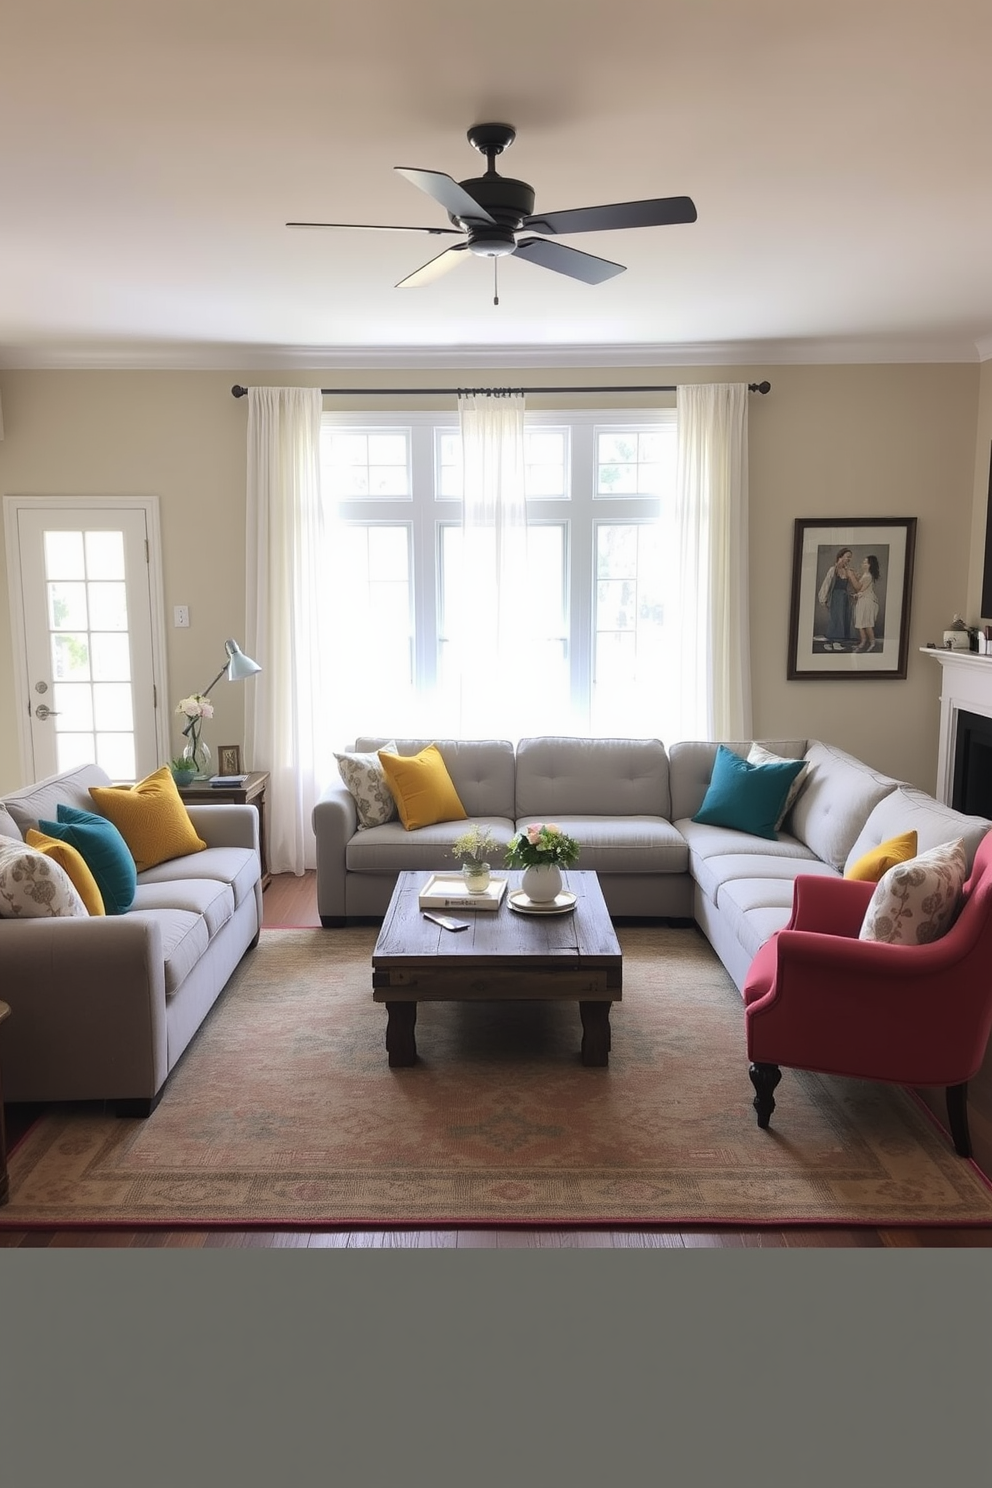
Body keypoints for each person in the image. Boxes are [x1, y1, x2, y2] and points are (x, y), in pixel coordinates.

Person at [817, 547, 856, 650]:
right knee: (836, 619)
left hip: (845, 598)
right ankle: (833, 642)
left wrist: (853, 595)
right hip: (836, 597)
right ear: (840, 557)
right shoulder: (833, 569)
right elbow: (827, 584)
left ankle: (837, 642)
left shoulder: (847, 571)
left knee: (844, 618)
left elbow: (850, 587)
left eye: (850, 558)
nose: (849, 559)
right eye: (847, 557)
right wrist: (823, 598)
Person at [850, 554, 881, 652]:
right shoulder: (865, 575)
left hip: (867, 601)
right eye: (863, 562)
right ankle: (863, 642)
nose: (863, 564)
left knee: (867, 623)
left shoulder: (868, 576)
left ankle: (872, 642)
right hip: (862, 601)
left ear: (870, 565)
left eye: (865, 563)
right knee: (860, 623)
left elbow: (860, 588)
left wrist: (852, 576)